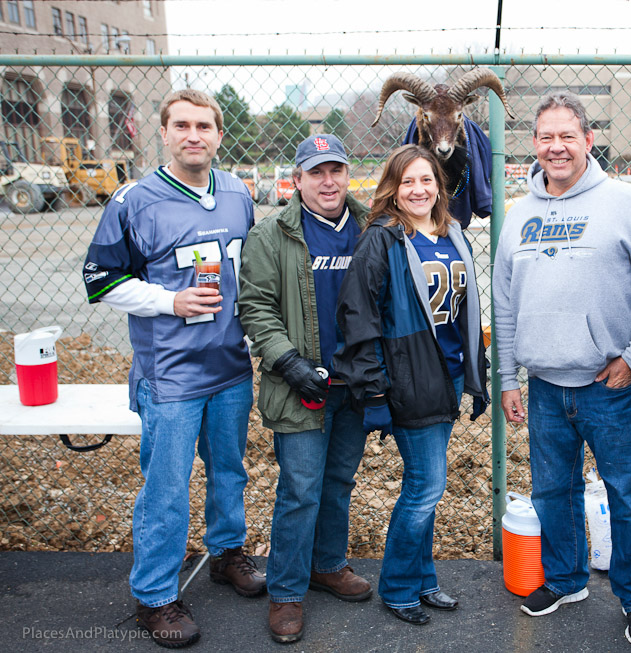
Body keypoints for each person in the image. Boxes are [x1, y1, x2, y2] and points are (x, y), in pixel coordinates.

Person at [82, 89, 265, 648]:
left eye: (204, 126)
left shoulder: (236, 191)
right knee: (166, 488)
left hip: (230, 364)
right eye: (181, 125)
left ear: (219, 135)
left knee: (229, 470)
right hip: (171, 373)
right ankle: (155, 595)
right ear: (163, 133)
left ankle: (226, 553)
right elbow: (100, 280)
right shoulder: (134, 200)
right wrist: (169, 300)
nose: (193, 135)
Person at [492, 91, 631, 647]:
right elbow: (503, 304)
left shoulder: (628, 204)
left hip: (607, 386)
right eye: (546, 136)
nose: (557, 146)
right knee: (552, 492)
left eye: (568, 135)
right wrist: (508, 379)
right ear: (533, 145)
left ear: (589, 140)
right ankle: (566, 580)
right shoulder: (518, 216)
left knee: (628, 498)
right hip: (545, 387)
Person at [333, 144, 489, 626]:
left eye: (427, 180)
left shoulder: (452, 234)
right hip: (407, 377)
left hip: (447, 375)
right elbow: (358, 317)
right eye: (408, 182)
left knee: (427, 486)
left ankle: (422, 580)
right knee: (425, 486)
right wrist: (376, 390)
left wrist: (475, 372)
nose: (418, 190)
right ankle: (399, 586)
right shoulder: (382, 239)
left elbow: (463, 312)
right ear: (393, 190)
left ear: (439, 186)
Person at [238, 134, 372, 644]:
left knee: (338, 482)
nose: (328, 181)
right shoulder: (271, 235)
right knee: (299, 491)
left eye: (336, 170)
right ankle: (287, 591)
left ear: (348, 174)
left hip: (353, 384)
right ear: (297, 180)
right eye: (316, 172)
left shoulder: (370, 227)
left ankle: (327, 565)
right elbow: (255, 307)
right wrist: (288, 361)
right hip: (300, 386)